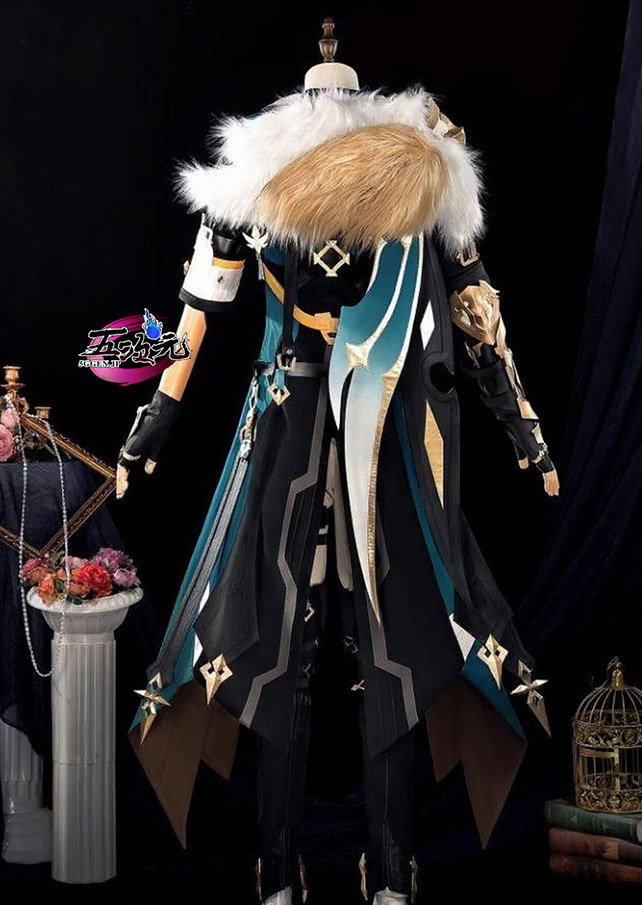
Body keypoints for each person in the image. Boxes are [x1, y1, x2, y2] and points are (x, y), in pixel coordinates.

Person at [119, 25, 557, 905]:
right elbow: (198, 308)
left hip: (381, 430)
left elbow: (473, 307)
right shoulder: (266, 166)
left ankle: (386, 865)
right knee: (278, 644)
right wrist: (152, 423)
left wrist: (523, 426)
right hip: (294, 429)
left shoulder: (410, 163)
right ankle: (281, 866)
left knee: (389, 639)